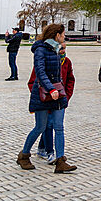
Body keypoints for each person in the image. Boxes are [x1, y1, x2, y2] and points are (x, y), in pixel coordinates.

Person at [16, 23, 77, 173]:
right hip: (44, 94)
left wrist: (60, 90)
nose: (64, 37)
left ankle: (60, 161)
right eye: (62, 34)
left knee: (59, 127)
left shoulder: (56, 50)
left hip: (58, 94)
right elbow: (40, 72)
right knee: (40, 127)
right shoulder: (40, 50)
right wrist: (51, 89)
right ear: (57, 35)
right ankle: (24, 155)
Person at [28, 43, 74, 165]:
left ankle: (59, 158)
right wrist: (41, 95)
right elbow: (33, 81)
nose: (61, 51)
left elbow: (70, 80)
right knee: (44, 126)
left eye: (63, 48)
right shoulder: (45, 59)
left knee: (58, 126)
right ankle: (47, 152)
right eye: (59, 48)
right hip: (45, 98)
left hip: (60, 98)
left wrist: (66, 96)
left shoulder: (66, 62)